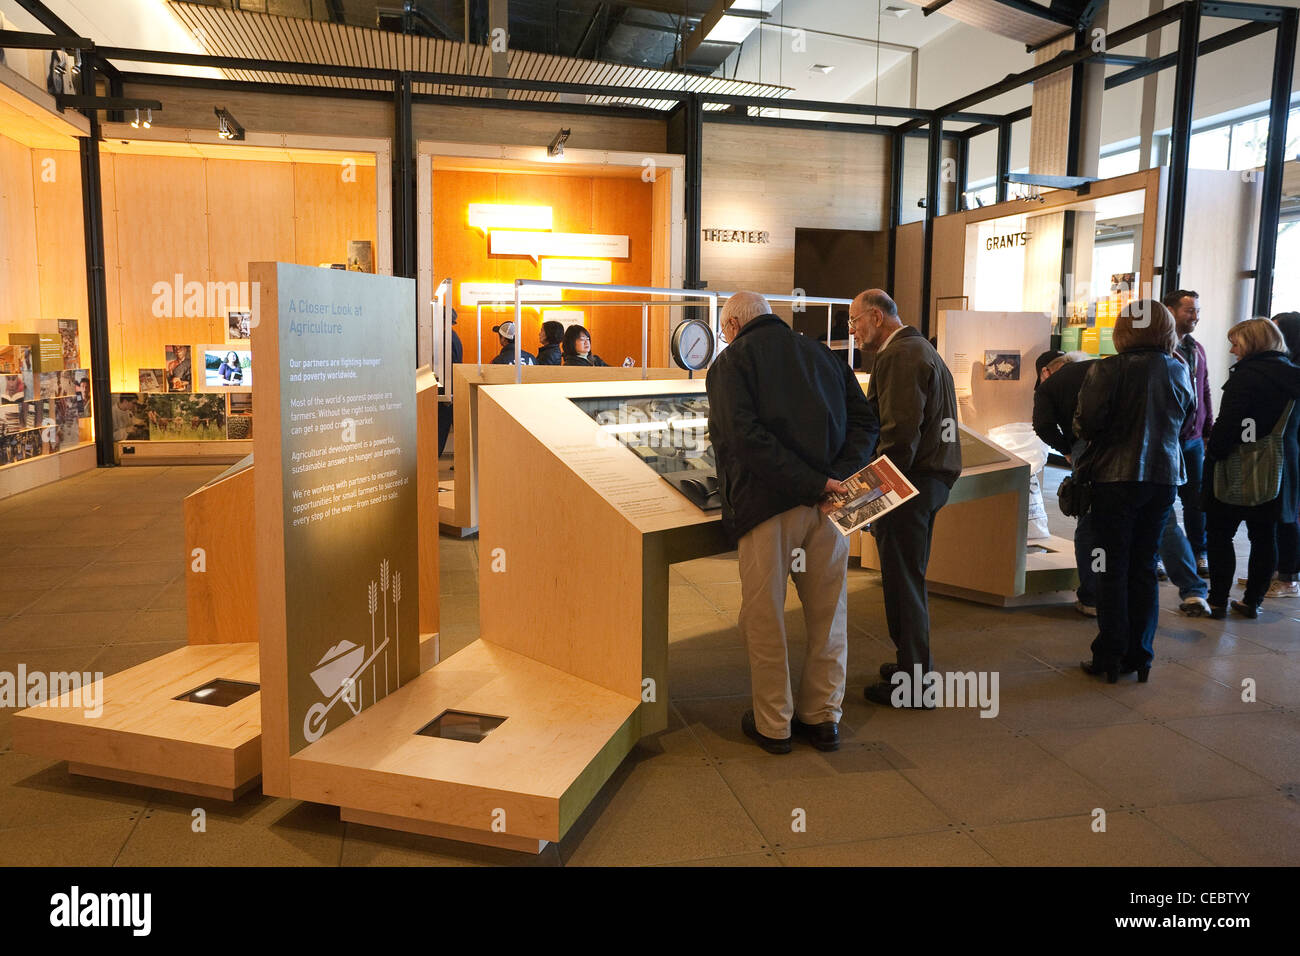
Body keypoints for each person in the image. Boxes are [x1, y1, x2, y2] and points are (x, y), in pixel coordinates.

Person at [706, 291, 877, 754]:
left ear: (733, 327)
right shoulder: (824, 354)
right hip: (830, 506)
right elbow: (866, 423)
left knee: (765, 617)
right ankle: (823, 717)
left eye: (724, 331)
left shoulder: (731, 363)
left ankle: (774, 723)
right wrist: (835, 479)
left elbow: (744, 439)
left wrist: (810, 481)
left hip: (768, 509)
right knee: (829, 612)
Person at [849, 290, 961, 707]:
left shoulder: (899, 356)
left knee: (904, 583)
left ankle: (915, 684)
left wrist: (867, 499)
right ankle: (910, 665)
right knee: (905, 579)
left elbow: (898, 437)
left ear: (876, 317)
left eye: (854, 321)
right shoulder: (920, 349)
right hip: (927, 481)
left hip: (910, 485)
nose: (854, 330)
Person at [1073, 300, 1192, 683]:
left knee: (1110, 568)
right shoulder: (1179, 369)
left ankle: (1109, 654)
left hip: (1114, 479)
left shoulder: (1107, 368)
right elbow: (1187, 425)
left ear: (1124, 331)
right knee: (1143, 567)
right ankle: (1140, 655)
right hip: (1163, 479)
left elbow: (1087, 424)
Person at [1202, 318, 1300, 618]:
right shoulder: (1294, 376)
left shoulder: (1247, 375)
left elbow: (1231, 423)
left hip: (1237, 466)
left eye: (1236, 343)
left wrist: (1214, 452)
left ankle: (1217, 601)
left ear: (1252, 343)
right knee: (1264, 536)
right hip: (1279, 467)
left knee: (1219, 534)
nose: (1232, 350)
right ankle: (1252, 602)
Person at [1163, 290, 1214, 577]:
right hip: (1166, 439)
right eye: (1189, 311)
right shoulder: (1159, 349)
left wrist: (1207, 430)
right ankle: (1156, 552)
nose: (1195, 316)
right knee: (1162, 500)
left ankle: (1200, 551)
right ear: (1170, 311)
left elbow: (1203, 389)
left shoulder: (1197, 349)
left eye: (1197, 310)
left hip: (1193, 440)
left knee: (1196, 500)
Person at [1269, 312, 1300, 598]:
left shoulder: (1291, 372)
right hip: (1285, 445)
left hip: (1291, 447)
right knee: (1279, 510)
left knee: (1288, 512)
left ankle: (1289, 577)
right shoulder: (1286, 367)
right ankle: (1277, 570)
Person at [437, 309, 463, 457]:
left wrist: (449, 393)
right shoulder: (453, 337)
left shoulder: (447, 339)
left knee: (440, 431)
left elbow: (449, 367)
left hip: (447, 392)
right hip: (450, 390)